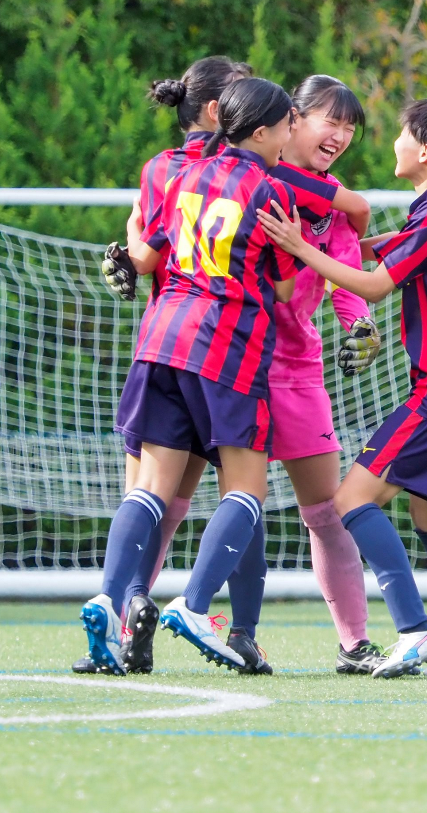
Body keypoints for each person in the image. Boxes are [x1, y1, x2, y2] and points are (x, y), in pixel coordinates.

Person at [259, 98, 427, 678]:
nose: (391, 142)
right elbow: (383, 249)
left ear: (424, 151)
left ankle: (415, 632)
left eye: (401, 134)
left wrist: (301, 249)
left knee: (349, 501)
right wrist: (333, 244)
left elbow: (373, 287)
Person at [79, 77, 300, 674]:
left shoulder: (178, 175)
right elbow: (282, 287)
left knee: (149, 488)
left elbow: (149, 253)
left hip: (161, 338)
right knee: (247, 490)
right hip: (226, 348)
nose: (291, 135)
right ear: (261, 132)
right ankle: (197, 606)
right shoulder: (272, 190)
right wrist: (300, 245)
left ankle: (108, 596)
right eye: (286, 126)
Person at [263, 74, 388, 674]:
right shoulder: (246, 174)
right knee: (178, 501)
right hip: (225, 362)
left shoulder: (334, 201)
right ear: (292, 118)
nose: (339, 134)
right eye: (328, 120)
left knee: (326, 512)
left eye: (349, 126)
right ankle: (127, 616)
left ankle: (354, 642)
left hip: (296, 371)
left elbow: (343, 278)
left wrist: (360, 326)